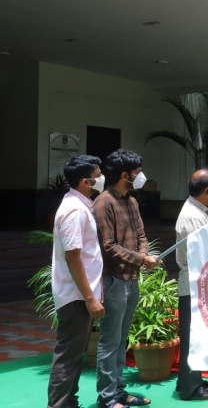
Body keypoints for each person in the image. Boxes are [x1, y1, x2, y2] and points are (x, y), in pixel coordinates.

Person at [94, 149, 158, 408]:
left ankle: (119, 392)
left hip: (131, 279)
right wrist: (143, 259)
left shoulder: (131, 201)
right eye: (136, 172)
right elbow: (107, 246)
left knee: (122, 339)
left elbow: (142, 235)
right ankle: (107, 398)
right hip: (113, 280)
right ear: (124, 175)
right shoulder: (104, 202)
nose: (140, 176)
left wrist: (143, 255)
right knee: (110, 341)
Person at [47, 155, 105, 408]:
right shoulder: (74, 210)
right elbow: (73, 257)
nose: (102, 178)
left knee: (74, 355)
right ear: (86, 181)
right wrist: (90, 298)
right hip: (76, 296)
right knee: (68, 355)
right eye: (98, 174)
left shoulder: (82, 206)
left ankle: (69, 401)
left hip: (81, 294)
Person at [174, 170, 208, 401]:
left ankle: (186, 380)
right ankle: (191, 388)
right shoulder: (191, 217)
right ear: (207, 192)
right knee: (192, 337)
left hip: (202, 282)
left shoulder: (202, 209)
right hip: (194, 283)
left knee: (197, 335)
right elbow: (200, 253)